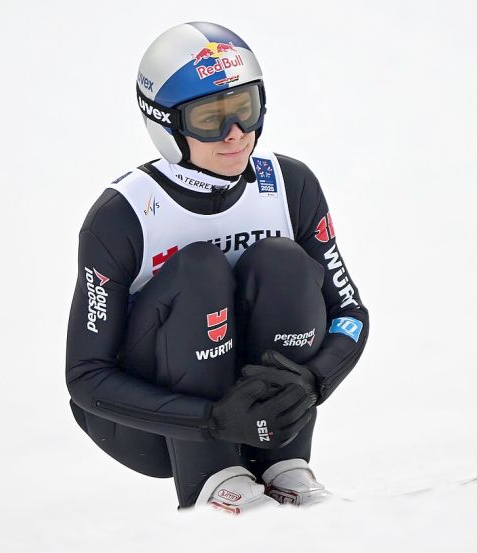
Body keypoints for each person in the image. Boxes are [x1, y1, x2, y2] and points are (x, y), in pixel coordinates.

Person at [65, 21, 369, 513]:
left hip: (258, 414)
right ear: (166, 124)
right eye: (210, 119)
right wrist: (208, 420)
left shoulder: (290, 185)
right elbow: (85, 377)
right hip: (151, 428)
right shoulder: (123, 216)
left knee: (283, 262)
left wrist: (312, 382)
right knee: (199, 270)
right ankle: (212, 483)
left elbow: (351, 313)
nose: (235, 135)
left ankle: (283, 467)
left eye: (245, 111)